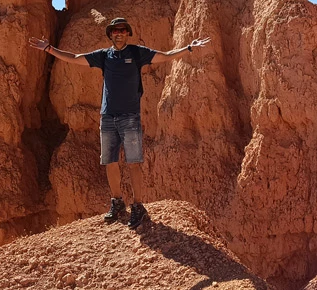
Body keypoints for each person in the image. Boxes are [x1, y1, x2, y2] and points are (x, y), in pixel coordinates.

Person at [28, 17, 209, 228]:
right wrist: (49, 49)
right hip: (108, 117)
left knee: (133, 162)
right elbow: (75, 58)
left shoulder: (136, 52)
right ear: (111, 35)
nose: (119, 33)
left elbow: (165, 56)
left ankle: (138, 206)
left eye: (123, 30)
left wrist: (189, 48)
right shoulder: (104, 56)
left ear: (128, 33)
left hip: (130, 116)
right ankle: (117, 202)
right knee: (110, 161)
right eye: (115, 31)